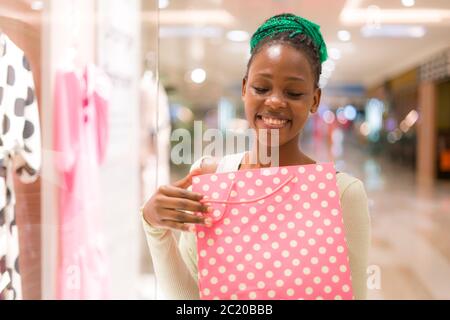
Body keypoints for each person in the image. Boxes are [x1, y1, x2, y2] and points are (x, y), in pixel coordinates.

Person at [141, 13, 371, 300]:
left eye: (294, 92)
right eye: (261, 88)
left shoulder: (341, 193)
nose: (274, 101)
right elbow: (190, 300)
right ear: (243, 89)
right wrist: (155, 228)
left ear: (314, 100)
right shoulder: (212, 178)